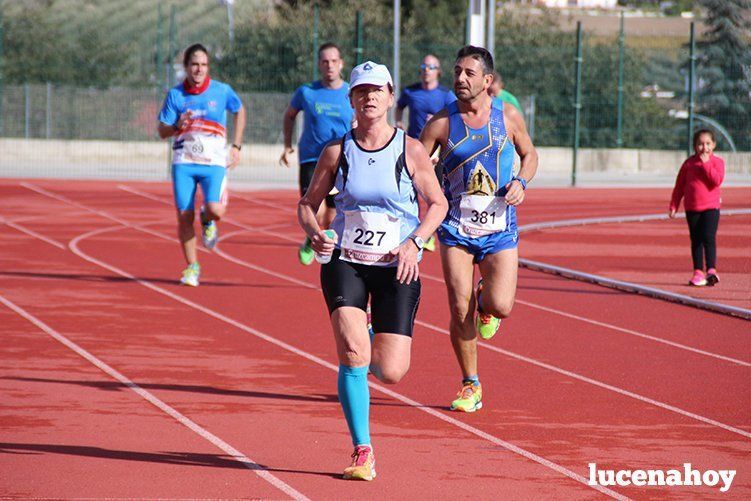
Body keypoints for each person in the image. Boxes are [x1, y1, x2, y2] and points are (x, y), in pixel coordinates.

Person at [298, 61, 447, 481]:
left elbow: (438, 204)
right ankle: (363, 450)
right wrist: (316, 233)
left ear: (390, 95)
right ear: (352, 99)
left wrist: (414, 241)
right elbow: (307, 205)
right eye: (361, 91)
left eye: (376, 90)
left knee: (391, 371)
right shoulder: (337, 150)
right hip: (345, 261)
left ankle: (367, 329)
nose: (369, 98)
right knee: (351, 355)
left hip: (395, 267)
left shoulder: (410, 149)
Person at [420, 46, 538, 413]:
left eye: (469, 73)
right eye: (457, 71)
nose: (460, 78)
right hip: (456, 228)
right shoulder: (440, 123)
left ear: (487, 81)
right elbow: (416, 170)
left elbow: (530, 155)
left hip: (500, 227)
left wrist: (521, 181)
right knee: (459, 308)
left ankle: (487, 299)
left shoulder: (510, 117)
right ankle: (471, 383)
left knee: (500, 306)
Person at [157, 43, 246, 287]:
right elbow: (161, 130)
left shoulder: (222, 91)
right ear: (186, 67)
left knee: (216, 209)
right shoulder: (176, 95)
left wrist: (236, 146)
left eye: (204, 65)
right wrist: (177, 125)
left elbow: (240, 111)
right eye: (194, 64)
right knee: (184, 216)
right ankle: (192, 267)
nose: (199, 69)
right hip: (184, 162)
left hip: (213, 163)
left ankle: (207, 219)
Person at [281, 43, 355, 265]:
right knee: (315, 207)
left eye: (334, 61)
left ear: (341, 63)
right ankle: (311, 235)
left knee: (330, 215)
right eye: (325, 61)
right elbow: (290, 115)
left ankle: (313, 237)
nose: (329, 65)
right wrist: (287, 145)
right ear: (319, 65)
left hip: (343, 159)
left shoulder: (351, 92)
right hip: (312, 158)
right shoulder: (307, 92)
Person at [395, 54, 455, 251]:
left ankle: (428, 232)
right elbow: (399, 106)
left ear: (438, 70)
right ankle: (412, 228)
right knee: (408, 190)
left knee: (434, 193)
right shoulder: (410, 92)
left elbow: (456, 116)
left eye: (431, 67)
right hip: (412, 150)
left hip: (436, 153)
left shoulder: (446, 95)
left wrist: (440, 127)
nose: (426, 70)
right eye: (424, 66)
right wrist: (399, 123)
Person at [669, 129, 725, 286]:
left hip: (711, 208)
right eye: (700, 144)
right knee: (696, 240)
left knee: (708, 237)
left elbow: (716, 180)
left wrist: (706, 163)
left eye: (708, 144)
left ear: (713, 145)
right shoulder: (689, 163)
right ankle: (698, 272)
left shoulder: (717, 162)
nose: (704, 147)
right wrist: (674, 204)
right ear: (695, 146)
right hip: (692, 208)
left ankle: (711, 270)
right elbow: (679, 186)